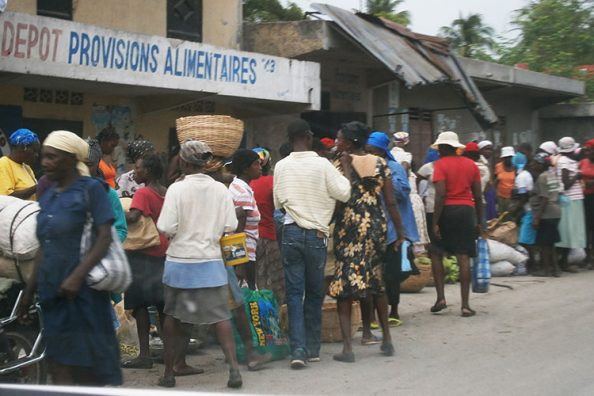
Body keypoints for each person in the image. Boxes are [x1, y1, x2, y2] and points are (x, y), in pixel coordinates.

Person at [17, 130, 122, 386]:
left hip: (83, 296)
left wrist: (76, 277)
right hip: (54, 296)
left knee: (86, 373)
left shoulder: (92, 190)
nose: (45, 162)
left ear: (71, 158)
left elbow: (105, 237)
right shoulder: (51, 195)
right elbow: (45, 245)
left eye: (52, 157)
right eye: (44, 156)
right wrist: (28, 293)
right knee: (58, 367)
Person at [156, 140, 242, 389]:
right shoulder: (220, 189)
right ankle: (234, 370)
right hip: (211, 263)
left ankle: (169, 374)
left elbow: (166, 227)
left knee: (172, 317)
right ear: (206, 163)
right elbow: (230, 226)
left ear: (183, 162)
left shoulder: (176, 189)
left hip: (180, 263)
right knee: (220, 317)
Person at [273, 119, 350, 368]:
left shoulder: (281, 166)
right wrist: (346, 170)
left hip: (291, 233)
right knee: (315, 294)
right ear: (308, 135)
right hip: (316, 235)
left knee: (294, 294)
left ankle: (298, 350)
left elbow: (278, 204)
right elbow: (344, 193)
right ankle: (313, 348)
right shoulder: (323, 164)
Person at [329, 122, 404, 363]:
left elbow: (342, 197)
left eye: (339, 139)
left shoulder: (340, 164)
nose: (336, 142)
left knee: (344, 286)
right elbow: (391, 202)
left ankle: (348, 349)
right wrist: (400, 232)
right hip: (375, 225)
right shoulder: (381, 163)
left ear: (350, 142)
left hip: (350, 227)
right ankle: (387, 340)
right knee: (375, 281)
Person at [121, 153, 171, 371]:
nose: (135, 171)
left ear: (148, 171)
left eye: (139, 168)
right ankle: (170, 353)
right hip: (164, 251)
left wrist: (113, 214)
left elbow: (132, 218)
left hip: (144, 253)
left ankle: (144, 354)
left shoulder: (143, 192)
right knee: (162, 306)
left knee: (141, 306)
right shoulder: (165, 191)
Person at [365, 131, 418, 324]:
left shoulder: (394, 167)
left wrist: (382, 178)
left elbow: (402, 193)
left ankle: (393, 310)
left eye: (374, 152)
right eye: (368, 151)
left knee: (392, 273)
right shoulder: (364, 166)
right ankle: (370, 316)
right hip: (371, 226)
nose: (371, 155)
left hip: (393, 228)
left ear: (382, 151)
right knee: (371, 274)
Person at [430, 131, 483, 318]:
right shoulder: (471, 165)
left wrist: (435, 221)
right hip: (467, 211)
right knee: (464, 256)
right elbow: (478, 195)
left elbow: (441, 195)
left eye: (439, 149)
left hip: (447, 211)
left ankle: (441, 298)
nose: (438, 152)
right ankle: (465, 305)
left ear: (444, 148)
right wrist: (480, 221)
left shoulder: (440, 165)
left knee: (436, 253)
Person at [250, 147, 285, 303]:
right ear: (268, 164)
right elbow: (282, 208)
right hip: (268, 236)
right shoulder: (272, 182)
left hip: (249, 238)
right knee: (273, 282)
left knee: (255, 279)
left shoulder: (243, 184)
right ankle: (272, 318)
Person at [229, 149, 262, 290]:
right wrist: (240, 263)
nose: (260, 168)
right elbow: (238, 229)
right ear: (245, 168)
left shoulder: (239, 187)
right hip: (244, 255)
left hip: (243, 252)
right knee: (250, 294)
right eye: (256, 164)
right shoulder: (242, 193)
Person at [85, 138, 128, 242]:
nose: (83, 169)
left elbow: (120, 230)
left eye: (89, 165)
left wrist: (100, 247)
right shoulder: (67, 190)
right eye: (79, 164)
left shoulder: (108, 194)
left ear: (97, 163)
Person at [556, 137, 586, 272]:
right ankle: (563, 262)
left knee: (572, 232)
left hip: (575, 199)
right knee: (568, 232)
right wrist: (577, 177)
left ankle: (565, 261)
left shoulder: (570, 161)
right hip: (569, 200)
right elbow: (566, 184)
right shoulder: (563, 161)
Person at [531, 153, 562, 277]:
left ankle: (546, 269)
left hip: (547, 213)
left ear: (540, 164)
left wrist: (537, 217)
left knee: (544, 244)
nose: (532, 165)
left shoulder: (542, 177)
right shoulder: (551, 175)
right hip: (555, 212)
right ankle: (555, 269)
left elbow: (544, 198)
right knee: (551, 243)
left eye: (534, 163)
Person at [0, 128, 40, 200]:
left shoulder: (27, 167)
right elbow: (7, 198)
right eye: (34, 151)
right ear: (23, 147)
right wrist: (38, 186)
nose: (36, 155)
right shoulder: (3, 164)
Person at [513, 152, 535, 273]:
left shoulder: (521, 177)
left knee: (525, 240)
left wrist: (515, 210)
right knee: (527, 239)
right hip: (529, 209)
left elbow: (524, 196)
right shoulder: (526, 174)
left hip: (528, 210)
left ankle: (532, 264)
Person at [580, 139, 594, 267]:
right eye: (587, 150)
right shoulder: (583, 162)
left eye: (590, 150)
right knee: (585, 227)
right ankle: (587, 255)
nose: (587, 152)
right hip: (584, 198)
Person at [478, 140, 497, 220]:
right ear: (480, 150)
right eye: (487, 149)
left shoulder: (487, 162)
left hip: (490, 193)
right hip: (485, 193)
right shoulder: (480, 163)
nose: (489, 151)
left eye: (491, 149)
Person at [495, 146, 516, 215]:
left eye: (510, 157)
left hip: (511, 197)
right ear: (503, 158)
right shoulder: (498, 166)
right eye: (506, 158)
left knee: (509, 216)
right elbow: (495, 181)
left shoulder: (515, 167)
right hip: (500, 196)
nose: (508, 159)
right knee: (500, 216)